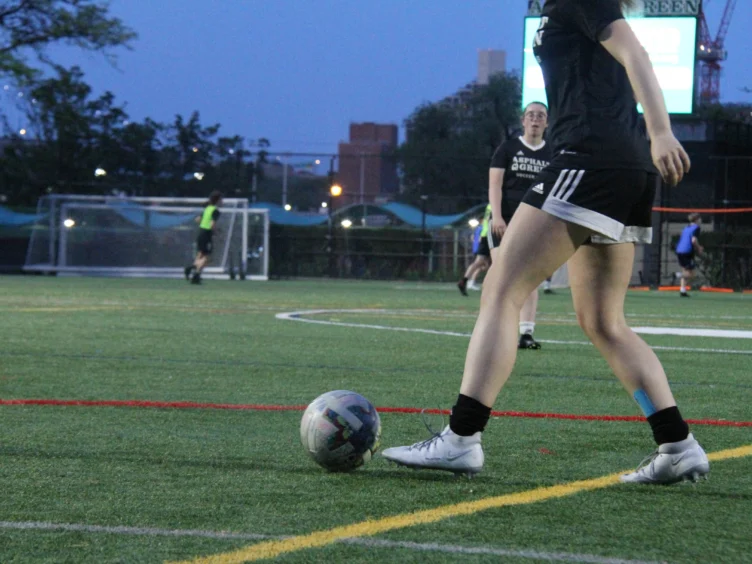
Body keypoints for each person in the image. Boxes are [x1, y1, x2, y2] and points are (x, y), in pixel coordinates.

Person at [383, 0, 709, 485]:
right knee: (603, 322)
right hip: (621, 166)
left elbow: (636, 53)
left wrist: (661, 131)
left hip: (589, 160)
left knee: (501, 290)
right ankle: (677, 444)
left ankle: (462, 438)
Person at [488, 101, 553, 349]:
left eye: (541, 116)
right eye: (531, 115)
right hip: (505, 220)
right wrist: (497, 216)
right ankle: (494, 328)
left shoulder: (553, 154)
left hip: (534, 224)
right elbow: (495, 184)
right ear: (523, 120)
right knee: (502, 274)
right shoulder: (508, 148)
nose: (535, 119)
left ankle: (526, 333)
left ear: (547, 122)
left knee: (528, 278)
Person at [185, 191, 222, 285]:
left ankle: (195, 276)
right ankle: (192, 269)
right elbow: (212, 225)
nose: (222, 201)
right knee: (208, 257)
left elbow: (197, 219)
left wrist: (204, 225)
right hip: (206, 234)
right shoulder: (215, 211)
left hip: (201, 232)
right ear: (218, 200)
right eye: (221, 199)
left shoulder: (207, 208)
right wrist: (217, 233)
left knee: (200, 255)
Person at [457, 205, 492, 295]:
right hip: (491, 235)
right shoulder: (497, 203)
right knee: (487, 263)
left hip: (486, 235)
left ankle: (465, 281)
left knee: (482, 263)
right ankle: (491, 286)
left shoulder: (490, 205)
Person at [675, 213, 703, 297]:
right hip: (687, 251)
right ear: (697, 220)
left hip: (679, 250)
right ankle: (677, 275)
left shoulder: (687, 227)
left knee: (685, 270)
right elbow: (693, 240)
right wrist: (699, 248)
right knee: (692, 274)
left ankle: (682, 291)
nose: (701, 220)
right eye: (700, 218)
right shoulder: (696, 228)